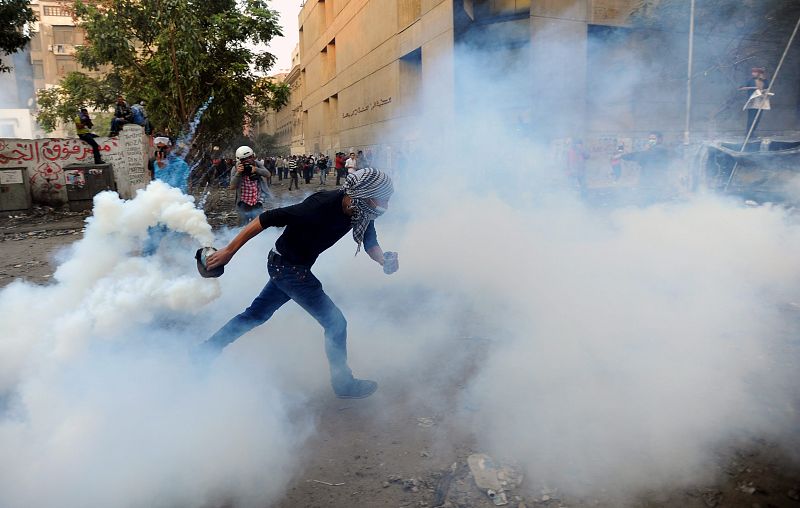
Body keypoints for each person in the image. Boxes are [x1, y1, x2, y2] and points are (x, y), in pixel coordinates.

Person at [197, 168, 397, 399]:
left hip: (290, 266)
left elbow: (370, 241)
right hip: (288, 268)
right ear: (364, 194)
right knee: (336, 324)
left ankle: (205, 352)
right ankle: (343, 384)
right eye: (382, 199)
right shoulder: (319, 206)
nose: (386, 206)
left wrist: (384, 260)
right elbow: (266, 218)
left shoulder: (361, 211)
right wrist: (229, 251)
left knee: (255, 315)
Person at [143, 136, 192, 255]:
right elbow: (154, 183)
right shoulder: (154, 162)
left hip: (174, 207)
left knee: (175, 241)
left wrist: (161, 169)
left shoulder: (180, 164)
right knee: (151, 240)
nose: (161, 151)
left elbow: (173, 186)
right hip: (158, 207)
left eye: (164, 148)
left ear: (170, 148)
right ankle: (146, 265)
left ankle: (179, 265)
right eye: (158, 148)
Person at [230, 145, 271, 226]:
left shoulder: (257, 164)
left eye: (250, 157)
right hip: (243, 203)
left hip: (257, 202)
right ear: (239, 160)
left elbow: (268, 174)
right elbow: (232, 186)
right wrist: (238, 173)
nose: (248, 160)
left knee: (256, 227)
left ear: (253, 156)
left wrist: (256, 170)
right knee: (242, 228)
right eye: (244, 159)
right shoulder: (236, 168)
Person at [739, 67, 771, 138]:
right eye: (753, 72)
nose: (753, 74)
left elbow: (767, 87)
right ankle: (748, 134)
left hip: (761, 102)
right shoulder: (750, 81)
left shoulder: (764, 81)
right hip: (753, 102)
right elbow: (741, 87)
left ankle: (752, 133)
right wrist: (753, 88)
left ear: (759, 73)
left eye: (755, 72)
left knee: (757, 118)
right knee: (751, 118)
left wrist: (765, 89)